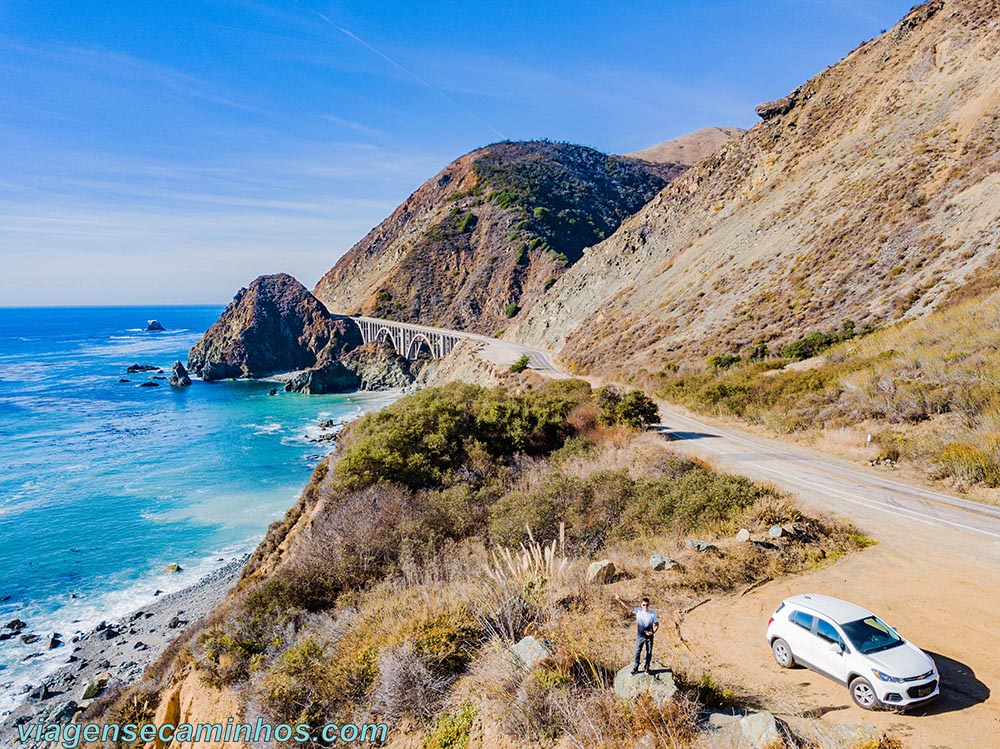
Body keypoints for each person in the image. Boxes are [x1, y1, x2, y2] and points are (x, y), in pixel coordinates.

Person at [616, 594, 659, 675]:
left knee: (649, 652)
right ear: (641, 605)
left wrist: (653, 632)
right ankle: (635, 668)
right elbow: (628, 606)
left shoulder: (652, 613)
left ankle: (647, 668)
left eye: (647, 605)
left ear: (649, 605)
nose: (645, 606)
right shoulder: (638, 611)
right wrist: (620, 599)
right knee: (637, 652)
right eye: (644, 605)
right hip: (640, 636)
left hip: (649, 637)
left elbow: (656, 624)